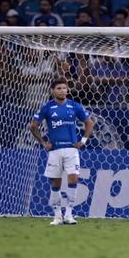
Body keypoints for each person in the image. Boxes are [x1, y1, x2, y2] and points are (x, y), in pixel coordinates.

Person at [29, 79, 94, 226]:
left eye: (64, 88)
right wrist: (43, 143)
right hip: (55, 150)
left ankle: (69, 214)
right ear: (52, 90)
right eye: (59, 88)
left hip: (72, 149)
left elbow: (89, 123)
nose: (62, 91)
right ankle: (57, 216)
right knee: (56, 183)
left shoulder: (74, 106)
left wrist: (83, 140)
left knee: (73, 178)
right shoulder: (47, 107)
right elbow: (33, 126)